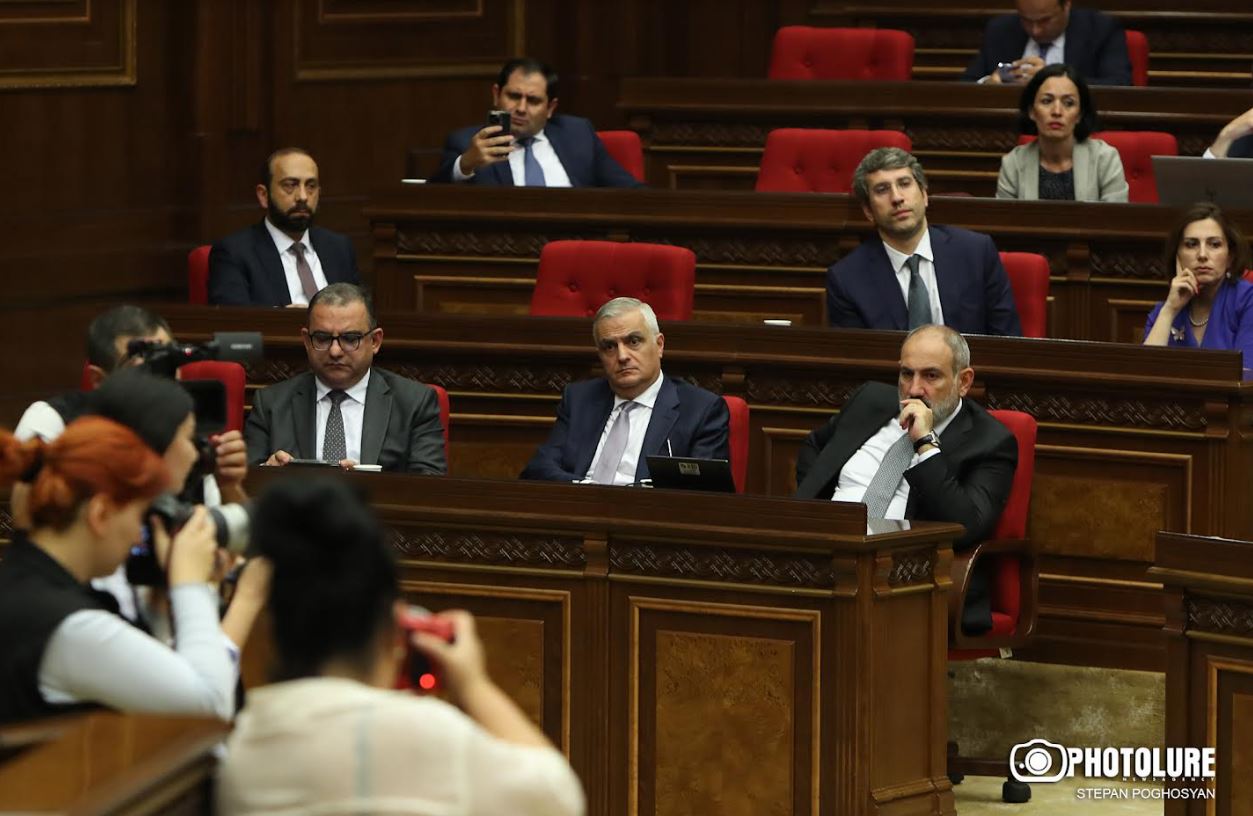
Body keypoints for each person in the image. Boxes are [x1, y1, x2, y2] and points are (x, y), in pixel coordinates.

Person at [215, 477, 585, 815]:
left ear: (276, 631)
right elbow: (559, 798)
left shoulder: (244, 750)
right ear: (393, 629)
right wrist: (473, 684)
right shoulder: (430, 732)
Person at [0, 417, 255, 724]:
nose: (138, 537)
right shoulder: (69, 626)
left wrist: (163, 602)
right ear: (100, 513)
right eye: (138, 516)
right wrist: (201, 586)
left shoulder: (24, 578)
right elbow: (209, 706)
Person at [794, 325, 1018, 633]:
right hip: (826, 554)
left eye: (931, 376)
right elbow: (814, 447)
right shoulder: (870, 399)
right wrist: (824, 515)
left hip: (908, 576)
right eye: (906, 374)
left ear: (964, 381)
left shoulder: (990, 441)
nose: (913, 390)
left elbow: (967, 526)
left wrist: (925, 443)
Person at [521, 297, 728, 484]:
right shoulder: (579, 399)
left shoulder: (701, 410)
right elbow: (539, 468)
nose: (622, 356)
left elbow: (703, 491)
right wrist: (586, 489)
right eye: (610, 347)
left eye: (633, 341)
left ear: (659, 345)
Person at [245, 283, 446, 473]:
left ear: (375, 341)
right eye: (322, 338)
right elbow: (244, 483)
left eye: (350, 339)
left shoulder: (414, 403)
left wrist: (367, 484)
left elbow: (429, 484)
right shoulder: (271, 404)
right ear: (306, 341)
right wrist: (267, 473)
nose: (335, 351)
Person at [826, 148, 1022, 336]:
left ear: (924, 195)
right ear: (868, 211)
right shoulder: (847, 279)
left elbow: (1006, 340)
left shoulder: (976, 253)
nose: (897, 198)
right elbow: (858, 356)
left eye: (904, 184)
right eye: (882, 190)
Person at [429, 57, 641, 188]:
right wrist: (465, 164)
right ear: (496, 95)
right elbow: (433, 197)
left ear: (550, 108)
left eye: (533, 101)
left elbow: (629, 191)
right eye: (513, 96)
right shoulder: (466, 143)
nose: (521, 108)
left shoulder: (578, 134)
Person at [208, 147, 360, 307]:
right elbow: (234, 318)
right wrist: (284, 317)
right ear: (263, 195)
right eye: (290, 185)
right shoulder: (235, 253)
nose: (303, 197)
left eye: (311, 186)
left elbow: (360, 312)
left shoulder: (339, 248)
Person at [1143, 203, 1253, 375]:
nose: (1202, 255)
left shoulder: (1247, 300)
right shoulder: (1163, 311)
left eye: (1214, 244)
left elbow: (1247, 377)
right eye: (1191, 244)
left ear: (1230, 256)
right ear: (1177, 256)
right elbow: (1144, 377)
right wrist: (1170, 311)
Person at [996, 63, 1128, 202]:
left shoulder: (1104, 159)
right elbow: (1004, 216)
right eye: (1047, 101)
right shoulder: (1013, 164)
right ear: (1031, 111)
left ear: (1079, 115)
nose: (1057, 111)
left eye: (1068, 103)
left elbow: (1116, 215)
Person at [964, 0, 1131, 87]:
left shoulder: (1100, 29)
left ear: (1066, 5)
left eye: (1045, 20)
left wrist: (1053, 79)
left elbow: (1119, 85)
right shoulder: (1000, 30)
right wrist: (990, 84)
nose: (1035, 30)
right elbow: (966, 85)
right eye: (1026, 20)